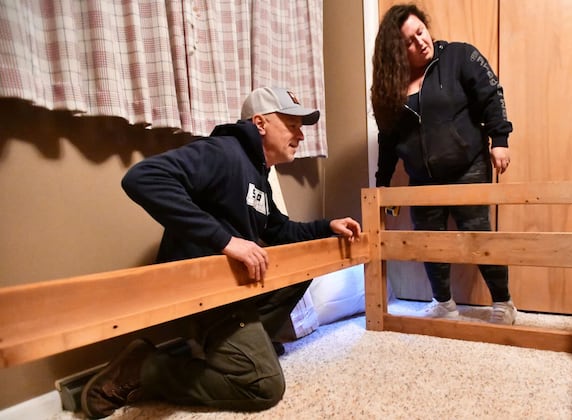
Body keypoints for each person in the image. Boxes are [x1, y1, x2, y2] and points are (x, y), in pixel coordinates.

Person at [80, 86, 362, 418]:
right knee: (264, 386)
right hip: (200, 291)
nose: (300, 135)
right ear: (260, 123)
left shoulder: (259, 175)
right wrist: (225, 240)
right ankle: (145, 368)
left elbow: (279, 230)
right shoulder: (224, 152)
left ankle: (241, 351)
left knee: (303, 264)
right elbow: (143, 178)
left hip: (230, 291)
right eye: (291, 124)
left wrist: (326, 226)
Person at [370, 4, 516, 325]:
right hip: (422, 178)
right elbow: (388, 139)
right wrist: (382, 182)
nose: (420, 42)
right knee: (429, 241)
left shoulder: (459, 56)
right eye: (408, 41)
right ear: (395, 52)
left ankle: (504, 302)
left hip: (468, 166)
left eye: (420, 32)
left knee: (478, 235)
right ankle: (443, 303)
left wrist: (500, 140)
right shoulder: (390, 87)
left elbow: (491, 95)